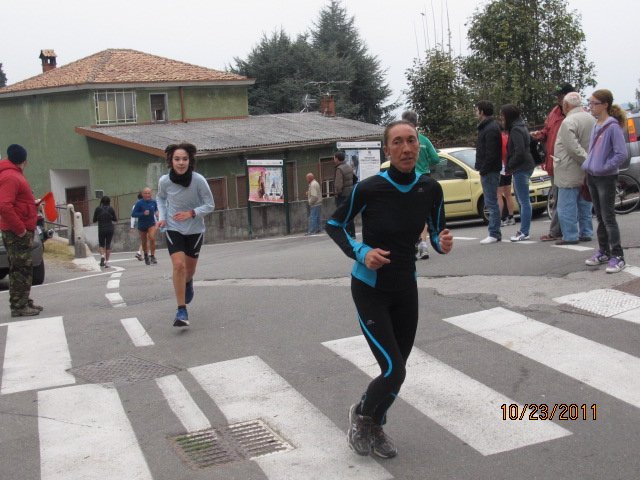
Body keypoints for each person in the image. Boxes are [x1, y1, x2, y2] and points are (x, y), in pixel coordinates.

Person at [326, 120, 453, 459]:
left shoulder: (430, 188)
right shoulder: (369, 188)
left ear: (419, 146)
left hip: (405, 288)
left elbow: (437, 233)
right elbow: (334, 224)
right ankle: (363, 416)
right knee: (395, 369)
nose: (406, 148)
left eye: (411, 140)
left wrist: (442, 243)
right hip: (370, 289)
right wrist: (361, 252)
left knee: (396, 371)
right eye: (397, 142)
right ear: (387, 149)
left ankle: (373, 423)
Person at [157, 143, 214, 327]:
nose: (181, 163)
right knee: (178, 265)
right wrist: (163, 217)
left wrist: (192, 213)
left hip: (195, 230)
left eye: (184, 159)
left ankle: (188, 282)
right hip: (173, 228)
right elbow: (160, 198)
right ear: (171, 161)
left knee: (189, 271)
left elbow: (210, 205)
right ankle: (181, 310)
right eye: (177, 159)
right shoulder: (165, 181)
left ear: (190, 161)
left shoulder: (198, 181)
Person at [582, 89, 628, 273]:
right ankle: (604, 251)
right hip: (592, 175)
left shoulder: (612, 126)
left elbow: (621, 154)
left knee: (608, 217)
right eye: (590, 102)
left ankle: (618, 255)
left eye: (594, 103)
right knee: (600, 216)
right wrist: (591, 166)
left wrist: (604, 167)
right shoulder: (596, 125)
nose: (590, 106)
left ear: (605, 105)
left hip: (605, 177)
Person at [0, 144, 42, 317]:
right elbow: (4, 205)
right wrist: (21, 230)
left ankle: (23, 300)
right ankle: (19, 305)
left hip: (18, 229)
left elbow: (16, 202)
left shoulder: (12, 174)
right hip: (16, 232)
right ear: (23, 160)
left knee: (23, 267)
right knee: (20, 268)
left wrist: (32, 204)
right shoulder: (11, 176)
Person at [532, 83, 576, 242]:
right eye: (557, 96)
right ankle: (561, 231)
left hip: (567, 163)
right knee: (560, 198)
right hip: (554, 162)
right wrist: (540, 134)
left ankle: (560, 231)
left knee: (564, 199)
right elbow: (547, 130)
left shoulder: (574, 114)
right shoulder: (554, 112)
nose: (558, 99)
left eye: (560, 96)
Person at [553, 92, 595, 245]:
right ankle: (586, 231)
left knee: (566, 206)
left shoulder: (568, 121)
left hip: (569, 168)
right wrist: (591, 162)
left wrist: (586, 160)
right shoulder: (591, 118)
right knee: (585, 202)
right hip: (586, 170)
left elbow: (572, 147)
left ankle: (570, 235)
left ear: (566, 105)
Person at [401, 110, 440, 259]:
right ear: (416, 123)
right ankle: (423, 244)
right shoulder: (424, 140)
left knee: (407, 212)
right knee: (422, 213)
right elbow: (436, 159)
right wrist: (424, 162)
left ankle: (412, 245)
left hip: (407, 178)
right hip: (424, 178)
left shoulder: (402, 141)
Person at [501, 104, 535, 242]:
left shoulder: (515, 130)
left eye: (503, 116)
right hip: (526, 165)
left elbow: (519, 151)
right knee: (522, 200)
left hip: (521, 167)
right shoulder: (521, 126)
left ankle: (524, 231)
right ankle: (523, 230)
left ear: (508, 116)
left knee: (523, 201)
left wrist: (510, 165)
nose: (502, 119)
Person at [475, 100, 503, 244]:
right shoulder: (487, 127)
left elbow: (491, 152)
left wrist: (483, 169)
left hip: (490, 170)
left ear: (482, 111)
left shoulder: (490, 128)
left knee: (491, 202)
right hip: (489, 169)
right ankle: (494, 232)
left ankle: (494, 233)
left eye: (477, 109)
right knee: (490, 201)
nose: (475, 112)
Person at [131, 187, 159, 265]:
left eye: (148, 193)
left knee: (152, 238)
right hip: (142, 224)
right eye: (145, 193)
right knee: (144, 241)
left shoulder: (154, 202)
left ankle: (152, 256)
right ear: (143, 194)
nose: (147, 195)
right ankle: (146, 255)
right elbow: (133, 214)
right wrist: (143, 213)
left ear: (151, 194)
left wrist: (157, 213)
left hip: (151, 223)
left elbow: (156, 209)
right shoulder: (139, 203)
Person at [333, 151, 355, 238]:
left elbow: (338, 184)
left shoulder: (339, 169)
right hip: (350, 193)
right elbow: (355, 178)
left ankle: (346, 233)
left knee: (342, 214)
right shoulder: (349, 167)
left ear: (337, 159)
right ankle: (352, 233)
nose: (334, 159)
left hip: (342, 195)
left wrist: (337, 193)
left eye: (334, 158)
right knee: (350, 213)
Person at [497, 127, 516, 226]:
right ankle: (511, 217)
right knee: (508, 194)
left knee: (498, 195)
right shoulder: (507, 137)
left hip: (500, 168)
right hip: (508, 167)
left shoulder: (497, 138)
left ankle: (501, 219)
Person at [93, 196, 117, 267]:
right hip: (110, 228)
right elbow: (115, 219)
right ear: (109, 202)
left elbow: (94, 220)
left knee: (101, 244)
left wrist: (99, 218)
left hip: (101, 229)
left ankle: (102, 256)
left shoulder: (98, 209)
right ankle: (107, 262)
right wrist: (110, 217)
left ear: (102, 202)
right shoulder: (111, 208)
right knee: (108, 245)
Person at [130, 192, 144, 261]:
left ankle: (141, 253)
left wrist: (132, 226)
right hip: (144, 222)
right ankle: (139, 252)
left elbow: (132, 216)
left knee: (144, 239)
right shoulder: (144, 203)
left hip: (138, 223)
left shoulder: (134, 205)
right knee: (146, 239)